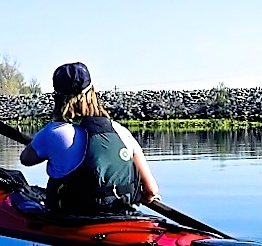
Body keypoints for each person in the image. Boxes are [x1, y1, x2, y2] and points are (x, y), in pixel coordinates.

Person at [20, 62, 161, 216]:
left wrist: (44, 146)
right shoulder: (120, 130)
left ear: (57, 97)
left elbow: (26, 159)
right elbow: (151, 190)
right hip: (120, 214)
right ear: (92, 91)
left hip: (73, 219)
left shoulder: (53, 132)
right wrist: (144, 197)